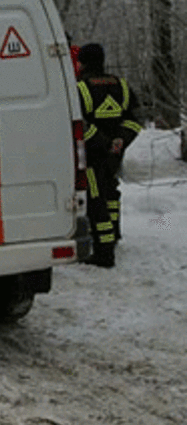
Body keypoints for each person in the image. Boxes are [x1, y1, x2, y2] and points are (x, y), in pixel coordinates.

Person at [76, 43, 143, 267]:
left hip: (93, 155)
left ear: (83, 62)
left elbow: (80, 125)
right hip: (115, 153)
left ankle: (104, 253)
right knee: (111, 192)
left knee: (96, 200)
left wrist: (101, 142)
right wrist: (120, 140)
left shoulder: (81, 89)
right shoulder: (121, 85)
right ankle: (114, 237)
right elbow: (135, 120)